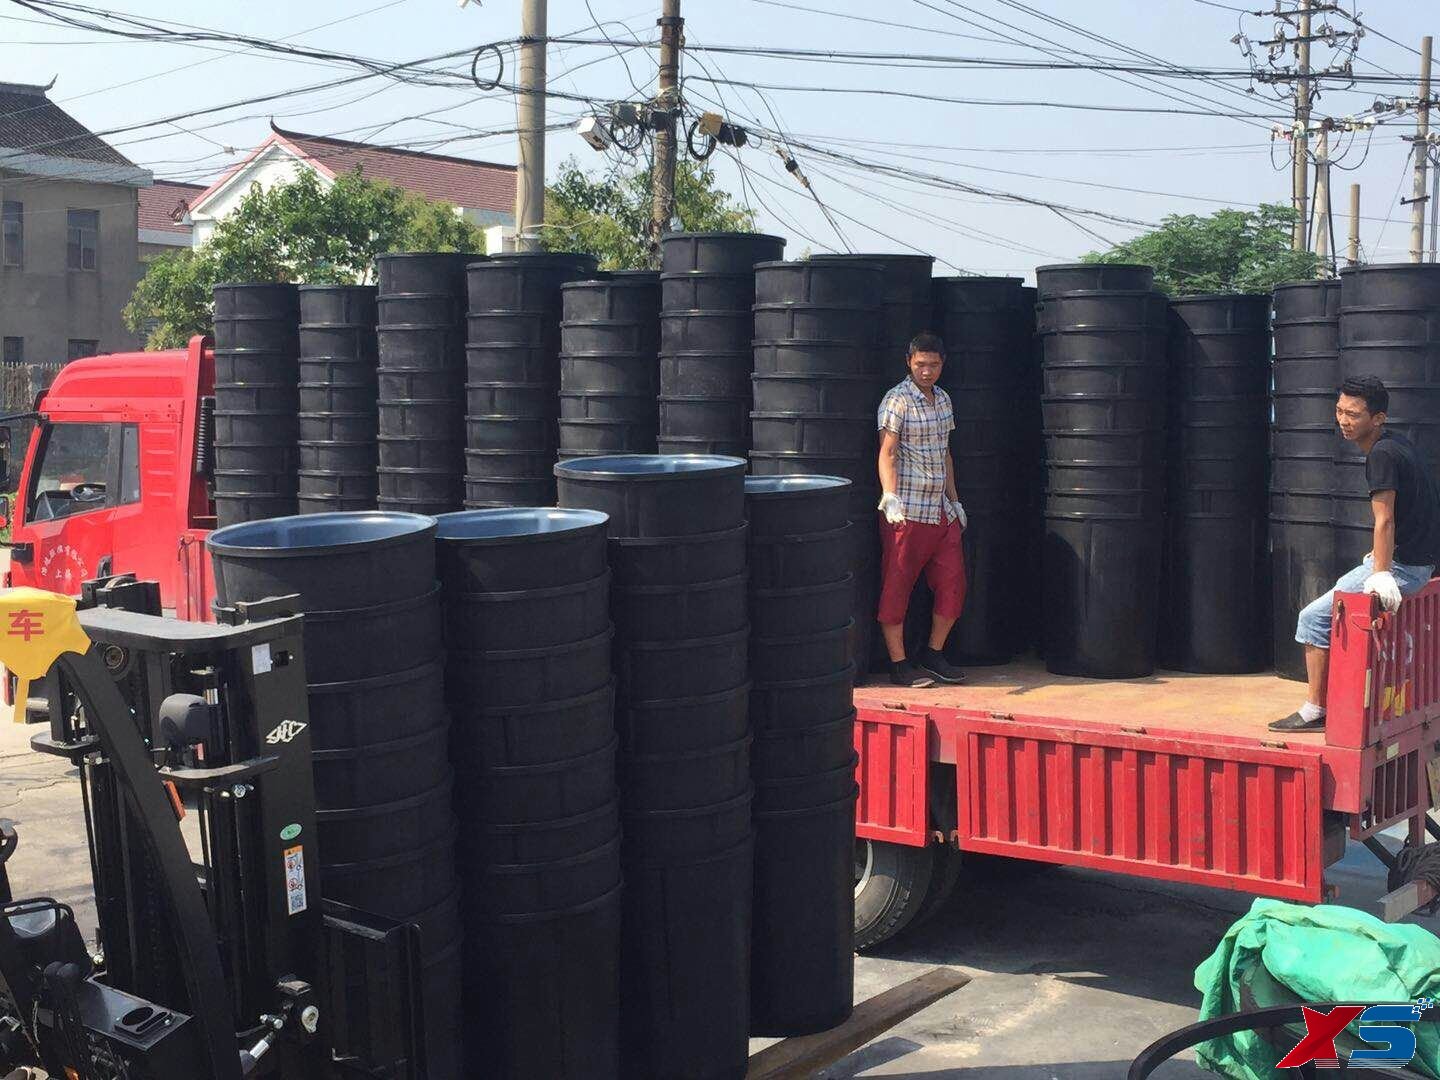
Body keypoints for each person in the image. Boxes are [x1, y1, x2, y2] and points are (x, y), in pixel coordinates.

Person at [1271, 375, 1440, 731]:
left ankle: (1315, 709)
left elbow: (1385, 520)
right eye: (1339, 411)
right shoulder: (1397, 444)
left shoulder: (1381, 455)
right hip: (1416, 560)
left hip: (1403, 567)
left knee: (1312, 618)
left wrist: (1381, 573)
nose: (1344, 421)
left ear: (1378, 418)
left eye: (1353, 414)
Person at [876, 332, 969, 688]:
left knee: (953, 583)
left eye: (933, 365)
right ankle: (899, 663)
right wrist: (890, 495)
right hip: (908, 509)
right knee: (897, 585)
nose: (926, 371)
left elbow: (945, 453)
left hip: (940, 508)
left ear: (942, 364)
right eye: (920, 365)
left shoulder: (943, 400)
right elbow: (887, 452)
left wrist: (955, 500)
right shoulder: (897, 401)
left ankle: (933, 652)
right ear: (909, 362)